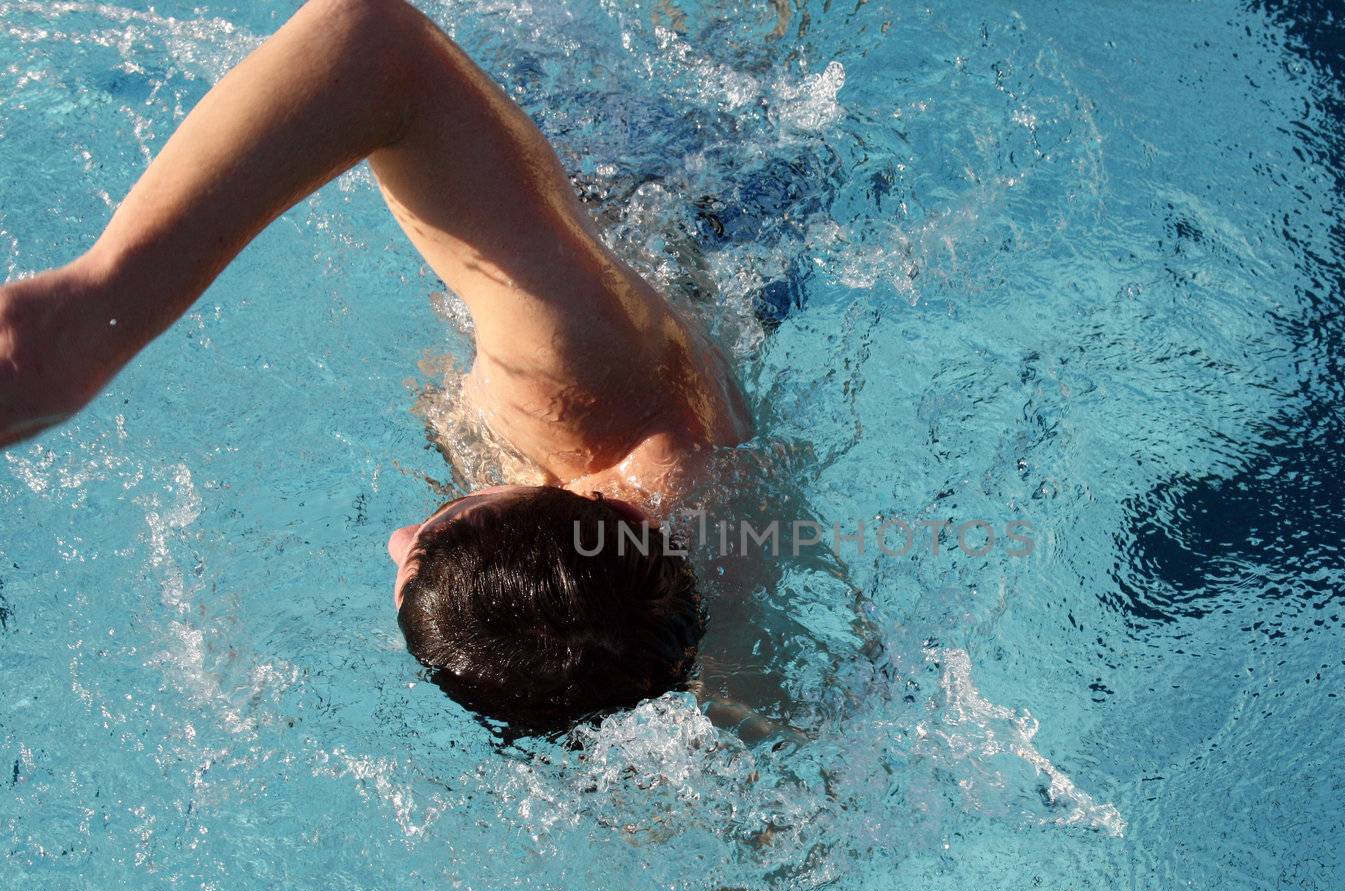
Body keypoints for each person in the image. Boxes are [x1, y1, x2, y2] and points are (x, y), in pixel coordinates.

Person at [0, 0, 777, 734]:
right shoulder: (572, 382)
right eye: (428, 540)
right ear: (502, 506)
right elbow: (375, 43)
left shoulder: (693, 606)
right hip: (640, 136)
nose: (397, 538)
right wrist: (95, 309)